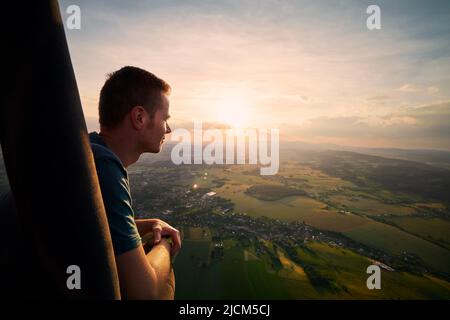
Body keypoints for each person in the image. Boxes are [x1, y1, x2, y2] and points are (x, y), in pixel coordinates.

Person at [89, 66, 181, 299]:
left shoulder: (91, 152)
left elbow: (98, 227)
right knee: (164, 283)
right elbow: (145, 292)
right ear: (140, 117)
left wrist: (148, 224)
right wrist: (166, 245)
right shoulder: (104, 167)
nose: (168, 129)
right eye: (165, 119)